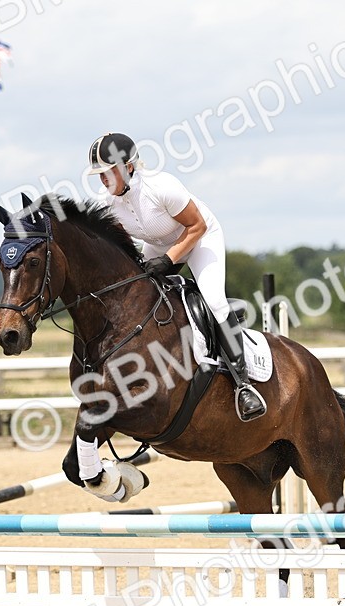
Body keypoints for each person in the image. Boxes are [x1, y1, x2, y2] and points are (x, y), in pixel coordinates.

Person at [85, 132, 266, 421]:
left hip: (199, 237)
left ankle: (243, 385)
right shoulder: (109, 203)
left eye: (107, 172)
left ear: (128, 167)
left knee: (214, 300)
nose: (102, 179)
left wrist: (169, 260)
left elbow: (197, 226)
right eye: (99, 174)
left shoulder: (161, 187)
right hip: (159, 245)